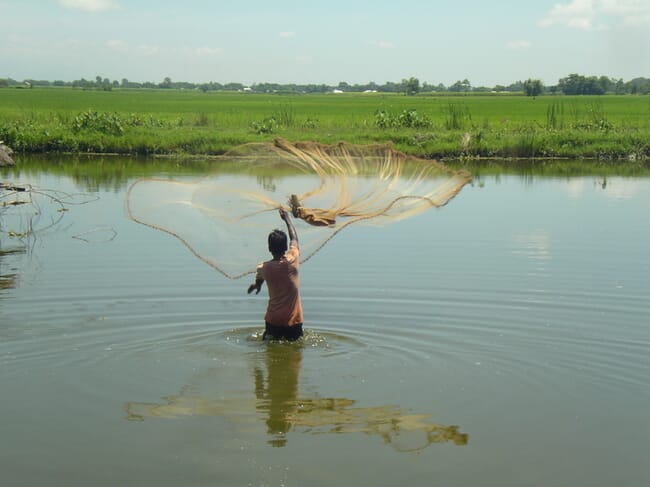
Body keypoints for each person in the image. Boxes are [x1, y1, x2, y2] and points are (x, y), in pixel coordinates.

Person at [247, 208, 304, 341]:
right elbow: (294, 238)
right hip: (293, 320)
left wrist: (257, 286)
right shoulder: (292, 259)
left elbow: (259, 279)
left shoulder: (263, 268)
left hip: (273, 320)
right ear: (285, 248)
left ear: (269, 248)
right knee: (294, 353)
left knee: (270, 348)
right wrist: (287, 219)